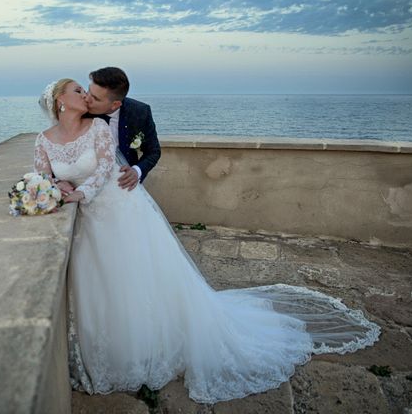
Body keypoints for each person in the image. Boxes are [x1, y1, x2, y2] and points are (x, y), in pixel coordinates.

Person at [34, 78, 380, 405]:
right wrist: (57, 186)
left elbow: (105, 168)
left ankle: (147, 345)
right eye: (78, 90)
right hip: (88, 223)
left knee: (136, 277)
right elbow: (43, 174)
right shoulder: (43, 139)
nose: (85, 95)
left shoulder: (97, 128)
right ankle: (109, 349)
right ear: (60, 100)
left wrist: (78, 192)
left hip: (117, 210)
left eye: (87, 90)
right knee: (100, 283)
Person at [57, 67, 160, 197]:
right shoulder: (80, 112)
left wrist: (136, 171)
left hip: (125, 189)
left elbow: (153, 151)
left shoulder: (140, 112)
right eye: (89, 90)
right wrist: (59, 180)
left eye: (95, 98)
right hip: (88, 189)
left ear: (115, 105)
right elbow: (59, 150)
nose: (87, 98)